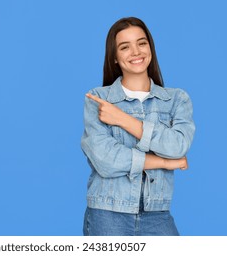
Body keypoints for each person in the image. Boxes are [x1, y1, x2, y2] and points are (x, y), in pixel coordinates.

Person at [81, 17, 195, 236]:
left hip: (157, 214)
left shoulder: (176, 99)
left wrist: (123, 119)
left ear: (150, 48)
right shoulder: (98, 99)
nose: (136, 52)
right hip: (107, 213)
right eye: (125, 47)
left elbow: (178, 146)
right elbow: (105, 159)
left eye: (141, 43)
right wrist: (163, 162)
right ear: (114, 57)